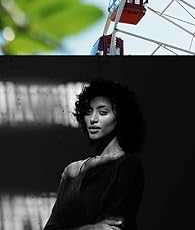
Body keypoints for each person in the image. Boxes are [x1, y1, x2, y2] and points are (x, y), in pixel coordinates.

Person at [45, 80, 145, 230]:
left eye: (103, 112)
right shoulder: (72, 170)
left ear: (121, 117)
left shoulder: (128, 164)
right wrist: (91, 228)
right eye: (88, 112)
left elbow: (114, 227)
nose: (93, 119)